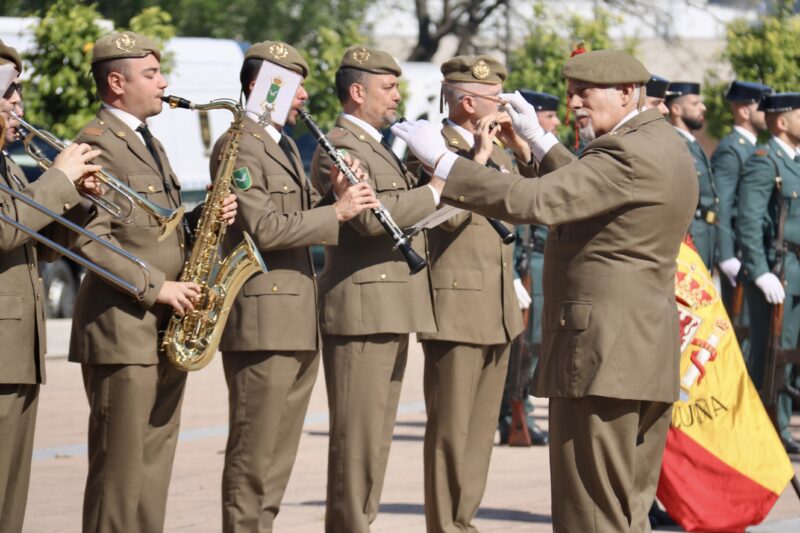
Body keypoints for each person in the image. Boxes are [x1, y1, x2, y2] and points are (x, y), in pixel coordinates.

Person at [392, 49, 697, 532]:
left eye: (584, 91)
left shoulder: (623, 151)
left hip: (602, 354)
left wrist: (446, 164)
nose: (573, 101)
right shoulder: (659, 141)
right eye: (571, 91)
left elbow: (535, 200)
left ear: (625, 92)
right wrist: (540, 143)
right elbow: (587, 191)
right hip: (639, 349)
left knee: (590, 512)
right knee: (624, 509)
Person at [67, 32, 237, 533]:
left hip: (162, 327)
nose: (165, 83)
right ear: (116, 82)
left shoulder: (147, 140)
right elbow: (87, 241)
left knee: (152, 469)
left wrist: (204, 218)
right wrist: (157, 288)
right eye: (152, 74)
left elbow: (154, 226)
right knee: (118, 477)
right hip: (123, 329)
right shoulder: (95, 142)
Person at [210, 40, 378, 532]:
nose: (303, 95)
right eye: (293, 85)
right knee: (252, 460)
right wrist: (338, 212)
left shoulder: (279, 142)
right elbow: (264, 228)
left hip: (294, 316)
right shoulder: (239, 143)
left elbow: (295, 218)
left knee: (275, 462)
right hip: (263, 319)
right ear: (258, 88)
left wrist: (336, 194)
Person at [309, 45, 438, 533]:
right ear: (357, 92)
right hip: (361, 308)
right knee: (356, 445)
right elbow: (367, 220)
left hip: (388, 306)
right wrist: (434, 193)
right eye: (388, 87)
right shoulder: (339, 145)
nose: (397, 96)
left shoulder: (378, 144)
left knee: (375, 443)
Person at [415, 54, 534, 532]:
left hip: (498, 307)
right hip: (456, 306)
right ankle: (445, 525)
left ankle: (465, 521)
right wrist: (477, 161)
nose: (501, 106)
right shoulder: (429, 146)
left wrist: (521, 150)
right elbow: (438, 220)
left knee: (481, 432)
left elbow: (536, 203)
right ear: (467, 101)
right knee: (450, 432)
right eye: (493, 98)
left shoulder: (502, 149)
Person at [0, 40, 100, 533]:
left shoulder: (11, 167)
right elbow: (3, 231)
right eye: (9, 92)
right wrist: (58, 179)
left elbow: (41, 245)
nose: (19, 103)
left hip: (18, 350)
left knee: (11, 501)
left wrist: (76, 199)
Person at [736, 92, 800, 454]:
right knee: (770, 355)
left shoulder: (795, 161)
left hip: (796, 270)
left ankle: (781, 424)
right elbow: (748, 219)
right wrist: (759, 271)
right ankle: (766, 430)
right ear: (781, 122)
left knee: (791, 356)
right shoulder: (765, 161)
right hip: (778, 273)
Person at [497, 89, 561, 447]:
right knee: (522, 347)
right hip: (526, 261)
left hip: (540, 260)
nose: (554, 123)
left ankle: (520, 412)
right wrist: (512, 274)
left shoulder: (538, 159)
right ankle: (512, 415)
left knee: (535, 346)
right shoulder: (515, 159)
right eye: (548, 116)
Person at [712, 81, 771, 316]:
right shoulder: (731, 149)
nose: (769, 112)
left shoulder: (754, 147)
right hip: (739, 252)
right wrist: (725, 255)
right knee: (743, 328)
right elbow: (722, 204)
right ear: (745, 111)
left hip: (752, 251)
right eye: (763, 106)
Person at [666, 81, 718, 269]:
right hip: (688, 234)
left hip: (704, 233)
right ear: (676, 109)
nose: (702, 107)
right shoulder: (674, 143)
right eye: (695, 104)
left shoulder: (692, 143)